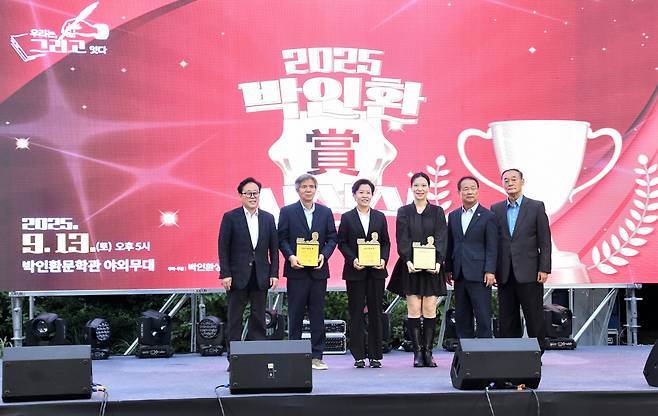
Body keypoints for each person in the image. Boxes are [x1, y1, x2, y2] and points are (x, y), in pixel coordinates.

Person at [387, 172, 447, 367]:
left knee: (429, 309)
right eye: (416, 185)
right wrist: (407, 260)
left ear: (428, 188)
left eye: (423, 185)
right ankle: (417, 353)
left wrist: (438, 261)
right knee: (414, 309)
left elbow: (441, 237)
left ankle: (428, 352)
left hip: (432, 268)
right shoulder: (404, 211)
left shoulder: (437, 211)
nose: (420, 189)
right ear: (411, 188)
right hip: (411, 267)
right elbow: (402, 238)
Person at [278, 174, 337, 370]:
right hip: (297, 271)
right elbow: (281, 239)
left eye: (311, 186)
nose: (308, 190)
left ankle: (316, 356)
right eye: (304, 187)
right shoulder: (287, 211)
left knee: (317, 315)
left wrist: (324, 255)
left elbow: (332, 238)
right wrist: (290, 256)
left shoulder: (325, 212)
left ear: (315, 189)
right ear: (298, 190)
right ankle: (294, 356)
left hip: (318, 272)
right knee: (295, 314)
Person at [218, 177, 279, 359]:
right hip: (237, 276)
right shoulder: (230, 217)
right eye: (249, 193)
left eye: (255, 193)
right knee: (235, 318)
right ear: (241, 196)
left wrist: (274, 273)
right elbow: (223, 247)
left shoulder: (268, 218)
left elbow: (273, 249)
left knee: (259, 317)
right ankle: (234, 358)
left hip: (261, 275)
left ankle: (256, 357)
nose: (253, 197)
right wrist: (225, 274)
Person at [491, 168, 551, 351]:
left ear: (522, 182)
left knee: (533, 315)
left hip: (530, 271)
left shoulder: (536, 207)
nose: (510, 183)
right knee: (507, 317)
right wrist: (492, 270)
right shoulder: (496, 209)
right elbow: (493, 243)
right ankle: (511, 353)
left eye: (514, 179)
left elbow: (545, 241)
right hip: (505, 272)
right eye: (506, 180)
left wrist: (544, 268)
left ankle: (537, 353)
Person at [338, 179, 391, 369]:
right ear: (354, 195)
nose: (365, 196)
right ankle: (358, 355)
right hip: (355, 272)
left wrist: (383, 259)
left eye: (368, 192)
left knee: (376, 313)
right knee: (356, 312)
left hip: (376, 272)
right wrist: (353, 259)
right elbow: (342, 243)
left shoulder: (379, 216)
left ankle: (376, 355)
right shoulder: (347, 217)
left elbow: (386, 242)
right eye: (361, 192)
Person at [446, 176, 498, 339]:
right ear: (459, 192)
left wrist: (490, 270)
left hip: (480, 274)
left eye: (473, 188)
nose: (469, 192)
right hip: (459, 273)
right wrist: (448, 269)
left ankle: (485, 351)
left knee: (482, 316)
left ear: (478, 191)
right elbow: (450, 243)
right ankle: (465, 350)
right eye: (465, 189)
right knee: (462, 316)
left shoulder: (488, 216)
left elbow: (492, 246)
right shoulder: (453, 216)